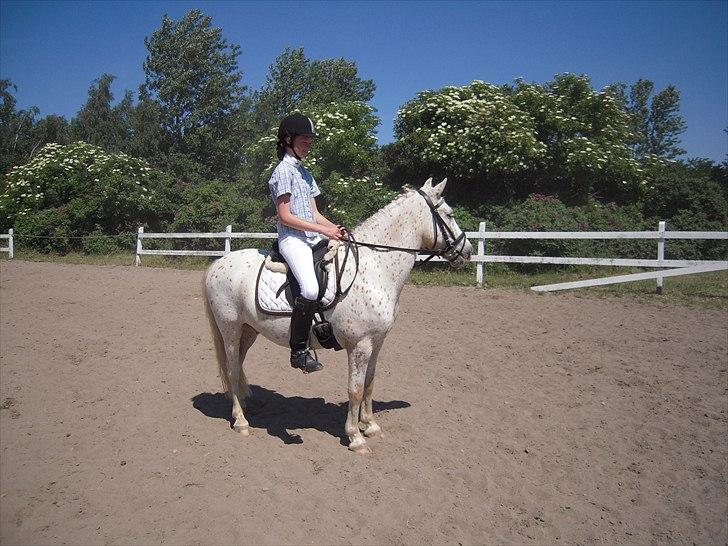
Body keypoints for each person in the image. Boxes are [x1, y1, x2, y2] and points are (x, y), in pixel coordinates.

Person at [268, 113, 345, 373]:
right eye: (304, 140)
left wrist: (334, 228)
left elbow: (314, 214)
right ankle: (298, 350)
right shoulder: (282, 172)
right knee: (310, 289)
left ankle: (326, 327)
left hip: (311, 235)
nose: (308, 145)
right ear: (288, 140)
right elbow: (286, 216)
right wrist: (321, 230)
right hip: (292, 238)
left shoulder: (305, 173)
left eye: (310, 141)